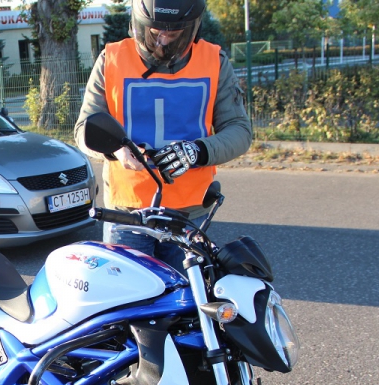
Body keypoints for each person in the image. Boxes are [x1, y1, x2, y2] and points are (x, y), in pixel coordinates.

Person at [74, 0, 252, 268]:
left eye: (174, 33)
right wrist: (116, 150)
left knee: (187, 292)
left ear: (192, 28)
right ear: (138, 23)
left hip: (189, 211)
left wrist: (197, 151)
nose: (163, 41)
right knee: (127, 291)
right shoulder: (112, 59)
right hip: (128, 210)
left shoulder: (214, 61)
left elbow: (239, 130)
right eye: (155, 32)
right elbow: (84, 129)